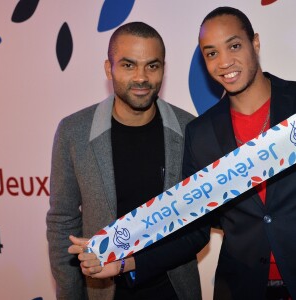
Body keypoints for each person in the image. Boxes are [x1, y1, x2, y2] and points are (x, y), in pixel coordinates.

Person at [69, 7, 296, 300]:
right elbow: (194, 228)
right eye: (211, 53)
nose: (225, 61)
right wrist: (126, 262)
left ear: (255, 43)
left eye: (234, 46)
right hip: (241, 287)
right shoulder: (200, 133)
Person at [46, 21, 205, 300]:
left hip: (174, 289)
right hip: (104, 292)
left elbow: (198, 225)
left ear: (163, 70)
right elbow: (63, 222)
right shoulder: (74, 132)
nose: (141, 77)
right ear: (109, 69)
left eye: (152, 66)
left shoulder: (190, 129)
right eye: (128, 65)